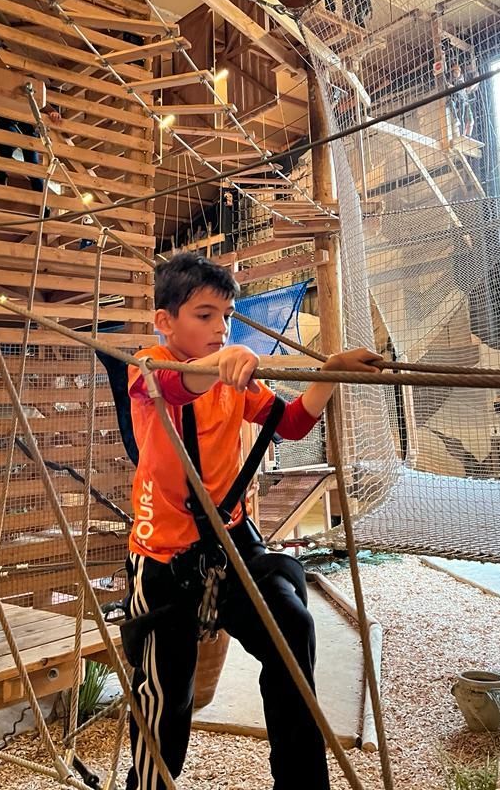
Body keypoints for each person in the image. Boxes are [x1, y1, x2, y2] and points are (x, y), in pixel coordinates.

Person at [124, 252, 382, 790]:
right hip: (164, 557)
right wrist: (226, 359)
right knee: (166, 696)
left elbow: (290, 422)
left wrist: (330, 372)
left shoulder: (231, 377)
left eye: (226, 316)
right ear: (165, 321)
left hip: (231, 545)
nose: (220, 327)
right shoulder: (149, 364)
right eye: (204, 315)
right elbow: (177, 386)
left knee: (293, 628)